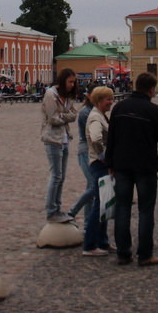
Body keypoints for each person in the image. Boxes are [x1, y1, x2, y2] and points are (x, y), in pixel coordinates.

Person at [106, 72, 158, 266]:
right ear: (151, 89)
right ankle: (145, 255)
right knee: (145, 210)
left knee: (122, 208)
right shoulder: (153, 110)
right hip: (145, 165)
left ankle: (123, 253)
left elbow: (111, 138)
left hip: (122, 165)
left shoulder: (119, 107)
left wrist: (110, 163)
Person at [41, 68, 79, 223]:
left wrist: (63, 115)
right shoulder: (51, 95)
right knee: (56, 176)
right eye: (70, 81)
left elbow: (74, 114)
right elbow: (53, 119)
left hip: (64, 138)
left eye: (74, 82)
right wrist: (65, 116)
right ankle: (51, 211)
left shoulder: (68, 96)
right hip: (52, 139)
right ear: (63, 81)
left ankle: (58, 208)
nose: (72, 84)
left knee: (61, 177)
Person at [82, 86, 115, 256]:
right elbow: (95, 138)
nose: (111, 102)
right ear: (100, 101)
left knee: (104, 204)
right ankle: (89, 245)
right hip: (99, 163)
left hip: (100, 163)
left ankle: (102, 241)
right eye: (109, 99)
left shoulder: (100, 115)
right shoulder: (95, 117)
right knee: (99, 204)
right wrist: (103, 155)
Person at [67, 92, 96, 223]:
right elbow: (92, 135)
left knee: (91, 186)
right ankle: (72, 211)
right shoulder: (86, 112)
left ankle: (87, 224)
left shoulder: (95, 111)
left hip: (93, 151)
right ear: (89, 96)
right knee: (94, 186)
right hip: (86, 151)